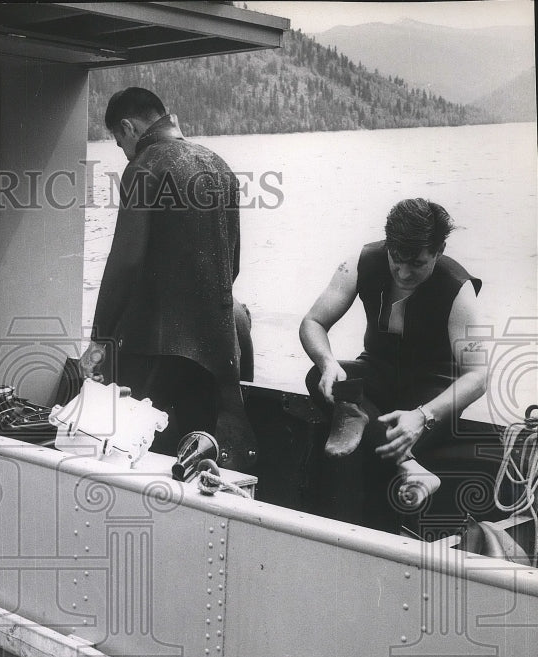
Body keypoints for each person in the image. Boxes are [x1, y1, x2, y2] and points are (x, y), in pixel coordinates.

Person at [79, 87, 255, 463]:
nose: (123, 150)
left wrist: (100, 340)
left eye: (117, 140)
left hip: (153, 345)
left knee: (128, 448)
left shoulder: (145, 165)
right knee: (198, 456)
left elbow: (125, 263)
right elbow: (232, 264)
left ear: (127, 127)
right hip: (213, 351)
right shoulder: (219, 165)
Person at [299, 198, 487, 531]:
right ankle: (408, 466)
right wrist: (328, 362)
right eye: (396, 260)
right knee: (318, 376)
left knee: (380, 453)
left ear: (439, 251)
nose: (403, 273)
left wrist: (423, 416)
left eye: (417, 263)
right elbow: (313, 322)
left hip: (432, 387)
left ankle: (380, 445)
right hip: (377, 371)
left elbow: (478, 376)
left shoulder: (458, 289)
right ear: (388, 244)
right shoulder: (361, 262)